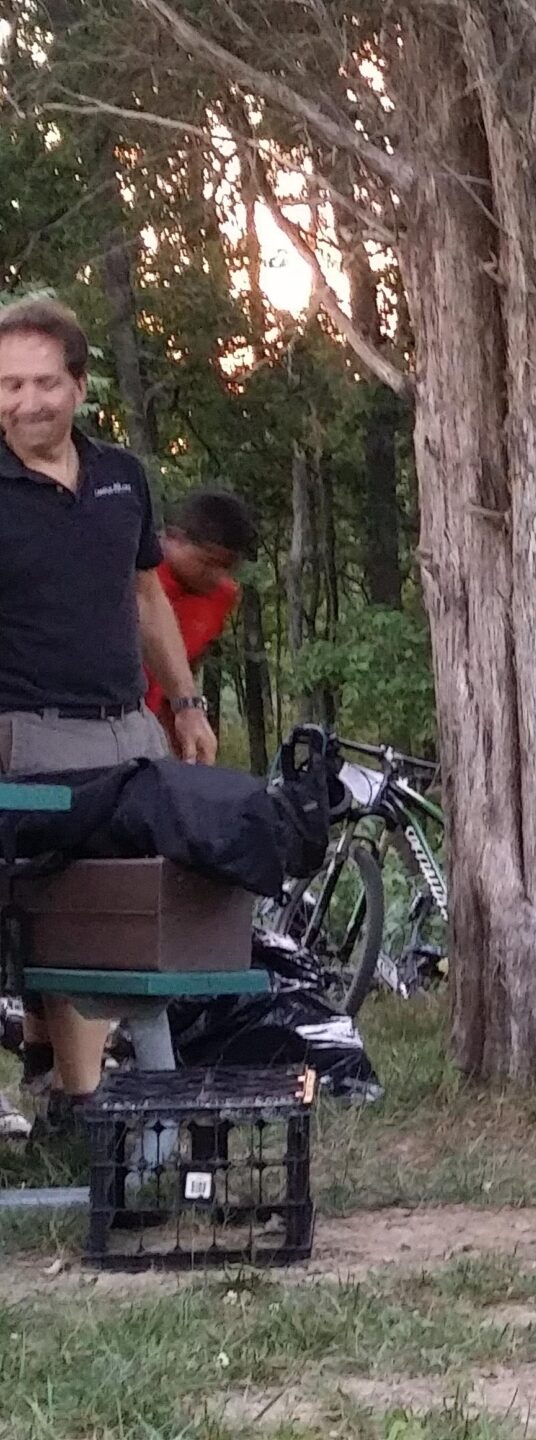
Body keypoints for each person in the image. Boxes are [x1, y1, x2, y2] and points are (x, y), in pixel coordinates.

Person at [0, 297, 219, 1141]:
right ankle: (81, 1101)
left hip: (130, 724)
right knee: (65, 899)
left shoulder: (123, 474)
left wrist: (188, 703)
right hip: (29, 729)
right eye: (11, 385)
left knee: (136, 896)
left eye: (45, 383)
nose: (27, 402)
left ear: (79, 386)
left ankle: (77, 1090)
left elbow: (147, 598)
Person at [143, 490, 257, 745]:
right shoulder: (138, 578)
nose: (218, 577)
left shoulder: (222, 596)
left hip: (150, 728)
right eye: (208, 563)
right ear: (174, 538)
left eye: (227, 568)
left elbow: (186, 666)